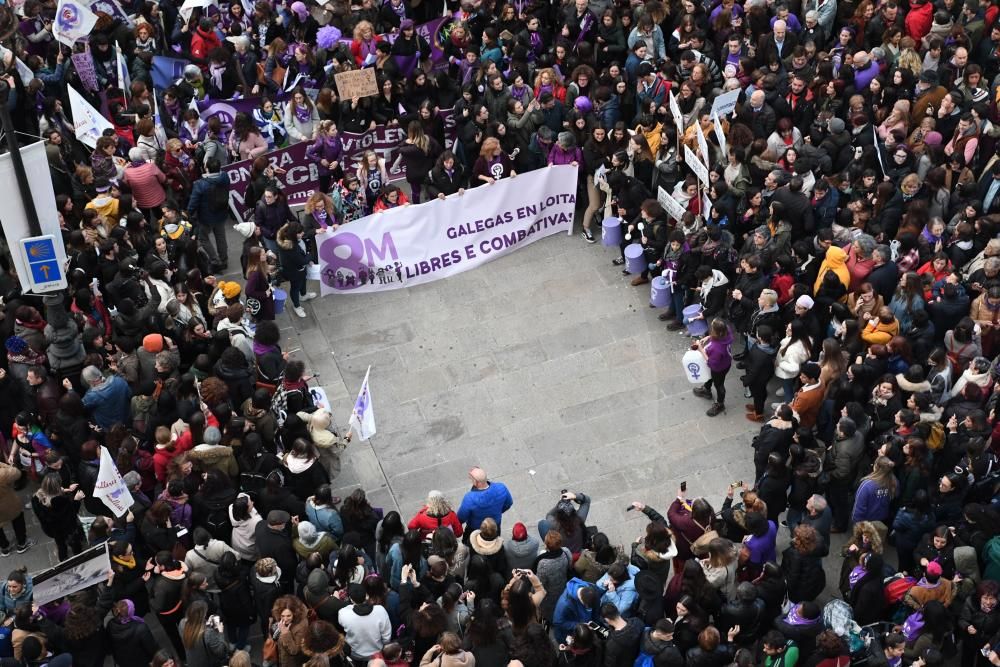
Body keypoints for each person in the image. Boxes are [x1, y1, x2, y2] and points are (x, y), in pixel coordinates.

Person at [456, 467, 514, 536]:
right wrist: (497, 511)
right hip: (495, 524)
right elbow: (509, 503)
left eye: (471, 479)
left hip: (475, 528)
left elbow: (461, 518)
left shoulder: (470, 498)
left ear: (476, 482)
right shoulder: (501, 488)